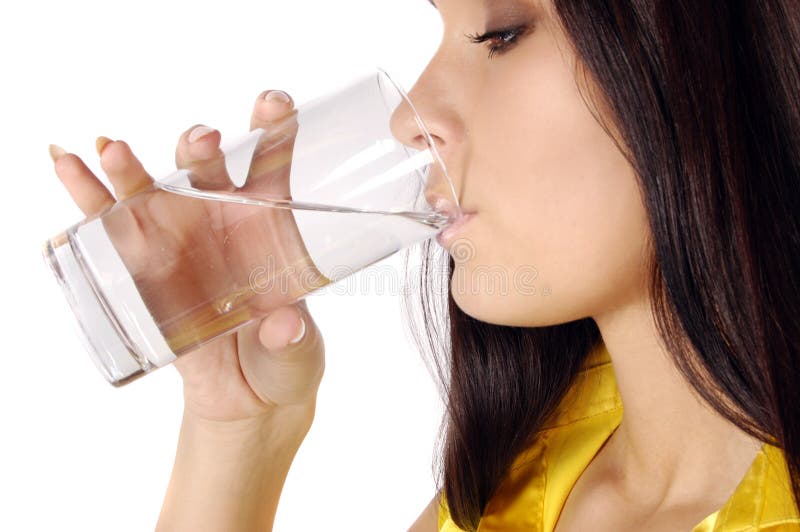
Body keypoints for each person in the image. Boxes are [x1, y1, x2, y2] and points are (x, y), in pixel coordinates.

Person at [47, 0, 800, 529]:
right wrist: (240, 430)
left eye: (500, 34)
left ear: (709, 61)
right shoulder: (531, 475)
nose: (411, 117)